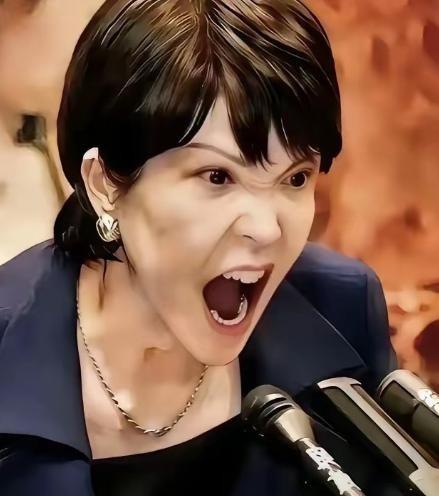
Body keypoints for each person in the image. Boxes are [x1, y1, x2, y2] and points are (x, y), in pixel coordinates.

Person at [0, 1, 399, 495]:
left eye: (296, 178)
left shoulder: (342, 308)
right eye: (217, 177)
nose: (267, 230)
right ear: (104, 183)